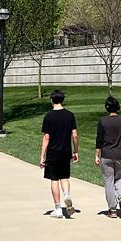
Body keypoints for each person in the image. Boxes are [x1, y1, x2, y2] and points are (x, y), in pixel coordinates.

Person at [39, 89, 78, 218]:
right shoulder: (70, 115)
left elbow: (46, 138)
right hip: (66, 151)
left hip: (53, 152)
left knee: (54, 179)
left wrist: (42, 156)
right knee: (65, 177)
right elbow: (75, 135)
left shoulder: (48, 116)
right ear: (63, 100)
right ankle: (67, 194)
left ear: (51, 100)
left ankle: (58, 208)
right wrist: (76, 151)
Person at [94, 95, 121, 218]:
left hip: (106, 155)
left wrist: (96, 155)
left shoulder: (103, 121)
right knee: (120, 178)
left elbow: (99, 140)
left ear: (107, 108)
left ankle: (112, 209)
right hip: (120, 155)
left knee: (109, 181)